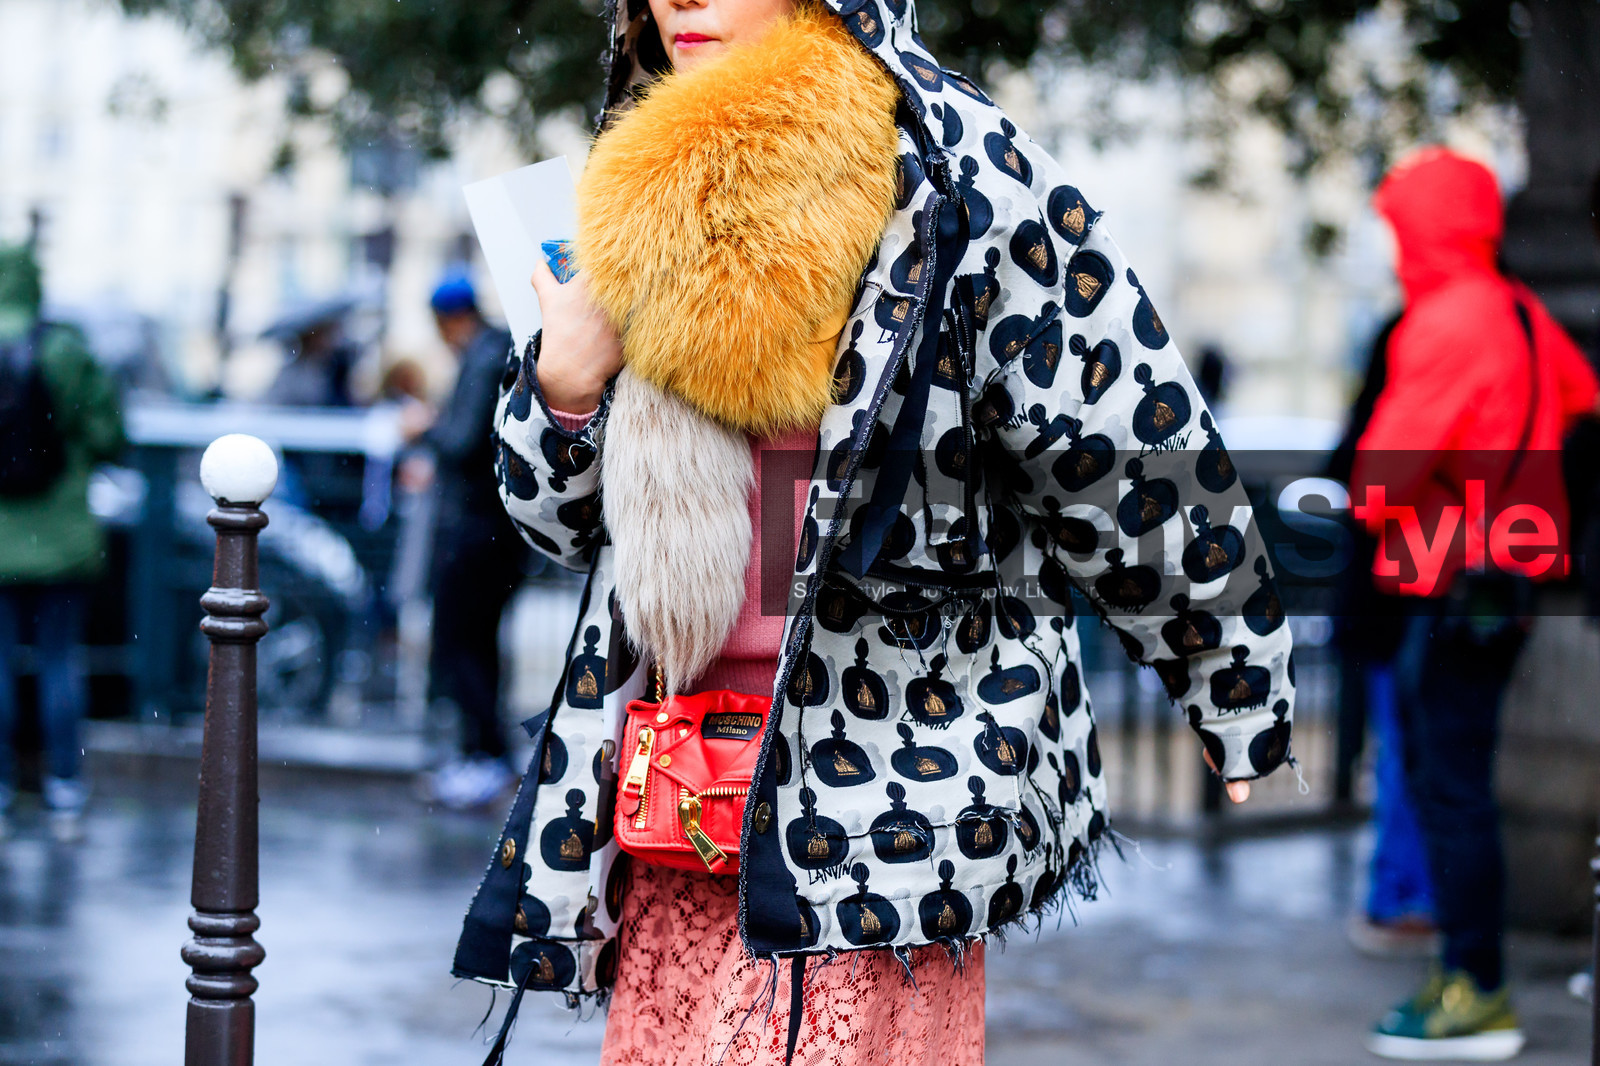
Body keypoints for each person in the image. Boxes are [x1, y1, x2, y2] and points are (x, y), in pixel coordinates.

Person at [454, 2, 1296, 1063]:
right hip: (677, 795)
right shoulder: (625, 191)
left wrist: (1235, 680)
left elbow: (1119, 434)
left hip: (888, 793)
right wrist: (561, 389)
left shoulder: (958, 174)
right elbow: (561, 529)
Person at [1353, 149, 1600, 1060]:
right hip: (1512, 583)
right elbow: (1582, 396)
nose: (1394, 248)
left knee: (1448, 793)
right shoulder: (1523, 312)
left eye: (1400, 229)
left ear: (1427, 230)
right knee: (1462, 787)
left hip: (1448, 586)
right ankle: (1470, 976)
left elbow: (1379, 480)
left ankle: (1476, 990)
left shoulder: (1447, 320)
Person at [0, 243, 126, 842]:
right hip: (62, 536)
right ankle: (64, 784)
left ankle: (1, 785)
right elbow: (108, 434)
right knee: (58, 661)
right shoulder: (65, 348)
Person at [1329, 315, 1438, 958]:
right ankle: (1408, 898)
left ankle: (1405, 901)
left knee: (1402, 753)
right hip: (1416, 590)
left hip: (1399, 593)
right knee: (1412, 754)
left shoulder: (1415, 336)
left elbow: (1363, 482)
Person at [406, 273, 527, 810]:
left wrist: (422, 427)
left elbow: (460, 442)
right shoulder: (499, 350)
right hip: (497, 530)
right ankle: (487, 756)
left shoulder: (483, 356)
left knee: (462, 643)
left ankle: (484, 758)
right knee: (479, 644)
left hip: (476, 532)